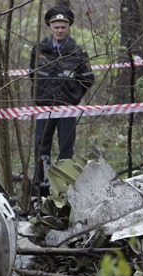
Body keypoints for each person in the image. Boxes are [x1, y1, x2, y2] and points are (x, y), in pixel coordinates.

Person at [29, 6, 95, 196]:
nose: (59, 30)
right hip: (44, 107)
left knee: (66, 147)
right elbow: (32, 76)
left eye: (63, 27)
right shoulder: (39, 49)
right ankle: (40, 190)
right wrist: (41, 96)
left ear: (68, 28)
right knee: (42, 146)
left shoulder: (77, 51)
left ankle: (64, 190)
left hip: (67, 108)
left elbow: (88, 78)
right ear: (50, 27)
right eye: (56, 27)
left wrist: (74, 96)